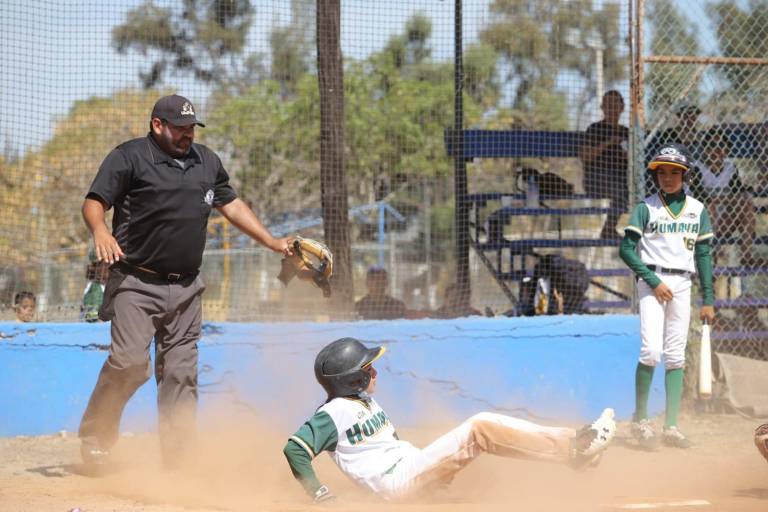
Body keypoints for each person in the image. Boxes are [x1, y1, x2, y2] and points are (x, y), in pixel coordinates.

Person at [78, 94, 293, 468]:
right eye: (180, 128)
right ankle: (97, 434)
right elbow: (95, 201)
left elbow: (232, 205)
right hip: (136, 282)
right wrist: (99, 230)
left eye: (192, 127)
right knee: (130, 364)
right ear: (157, 125)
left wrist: (273, 242)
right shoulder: (129, 157)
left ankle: (178, 464)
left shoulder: (207, 161)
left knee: (180, 374)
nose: (187, 135)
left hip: (188, 288)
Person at [283, 337, 617, 502]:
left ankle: (576, 456)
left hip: (408, 473)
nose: (375, 370)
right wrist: (320, 495)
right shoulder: (333, 412)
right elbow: (295, 450)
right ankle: (574, 448)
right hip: (399, 482)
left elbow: (384, 449)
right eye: (367, 367)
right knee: (480, 427)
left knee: (482, 454)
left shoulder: (365, 403)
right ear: (350, 378)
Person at [619, 143, 716, 450]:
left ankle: (671, 426)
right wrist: (651, 280)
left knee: (675, 355)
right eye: (663, 172)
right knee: (651, 351)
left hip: (683, 283)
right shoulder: (646, 207)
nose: (668, 177)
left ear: (684, 175)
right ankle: (641, 421)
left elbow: (703, 255)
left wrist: (709, 299)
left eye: (675, 172)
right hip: (652, 280)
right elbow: (626, 249)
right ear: (656, 174)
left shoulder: (698, 209)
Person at [689, 127, 758, 266]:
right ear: (705, 149)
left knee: (746, 204)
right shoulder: (696, 168)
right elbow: (701, 197)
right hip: (700, 224)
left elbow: (739, 196)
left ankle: (746, 256)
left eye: (721, 146)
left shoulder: (730, 168)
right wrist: (723, 199)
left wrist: (719, 199)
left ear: (727, 150)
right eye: (712, 146)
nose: (716, 150)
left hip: (724, 222)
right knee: (708, 206)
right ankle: (707, 258)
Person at [579, 90, 629, 240]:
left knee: (631, 189)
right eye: (607, 104)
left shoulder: (626, 132)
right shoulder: (594, 129)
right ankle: (608, 230)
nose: (611, 108)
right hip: (595, 180)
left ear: (622, 108)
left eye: (615, 104)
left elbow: (636, 161)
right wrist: (608, 143)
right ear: (602, 107)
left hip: (620, 181)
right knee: (623, 191)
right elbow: (585, 157)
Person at [645, 104, 703, 193]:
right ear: (680, 117)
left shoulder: (700, 136)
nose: (689, 119)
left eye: (693, 116)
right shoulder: (670, 133)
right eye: (686, 116)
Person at [81, 252, 110, 323]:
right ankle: (91, 315)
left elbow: (105, 276)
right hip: (95, 285)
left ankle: (96, 316)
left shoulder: (106, 264)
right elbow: (88, 275)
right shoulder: (91, 266)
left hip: (103, 286)